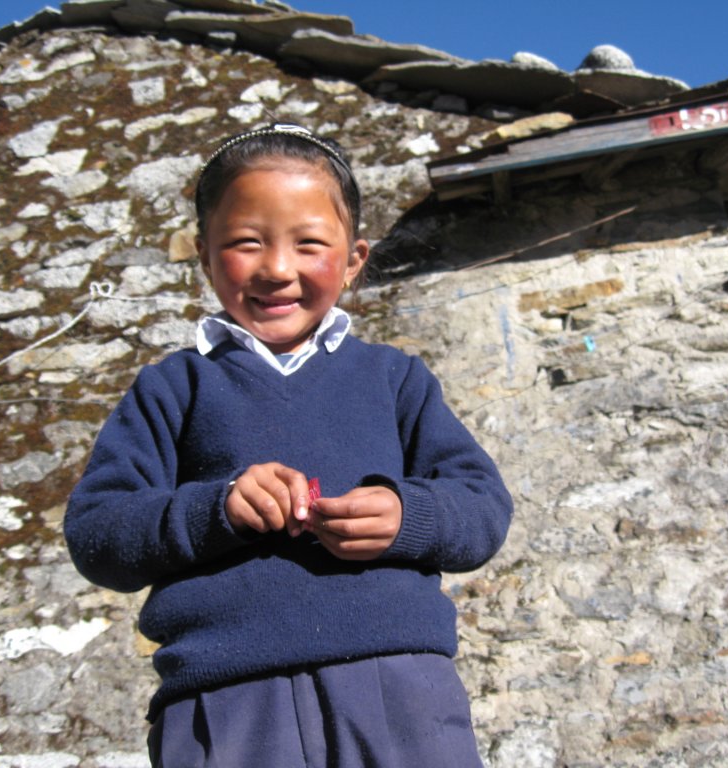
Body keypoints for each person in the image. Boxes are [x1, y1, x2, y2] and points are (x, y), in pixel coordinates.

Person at [64, 123, 514, 768]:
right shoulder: (171, 389)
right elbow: (98, 533)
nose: (277, 269)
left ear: (353, 260)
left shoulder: (394, 379)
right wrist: (217, 509)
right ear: (204, 255)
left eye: (309, 244)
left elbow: (482, 507)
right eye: (245, 242)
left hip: (398, 689)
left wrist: (406, 516)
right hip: (223, 701)